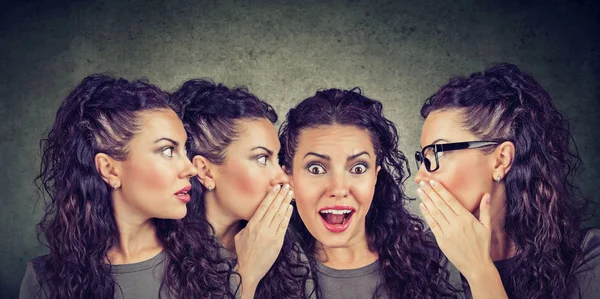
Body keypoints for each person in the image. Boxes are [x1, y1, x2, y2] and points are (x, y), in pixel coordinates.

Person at [19, 75, 232, 299]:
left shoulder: (207, 260)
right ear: (109, 169)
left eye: (184, 151)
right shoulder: (45, 281)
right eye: (168, 151)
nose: (191, 169)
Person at [414, 63, 600, 299]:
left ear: (501, 159)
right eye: (422, 156)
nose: (420, 175)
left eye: (436, 153)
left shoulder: (587, 257)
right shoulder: (423, 263)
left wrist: (479, 271)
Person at [278, 88, 453, 299]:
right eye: (316, 168)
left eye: (358, 168)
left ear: (375, 178)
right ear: (289, 179)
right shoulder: (261, 273)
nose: (339, 189)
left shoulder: (437, 260)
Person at [171, 79, 314, 299]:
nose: (282, 178)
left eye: (277, 159)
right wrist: (247, 275)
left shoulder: (287, 252)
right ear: (205, 171)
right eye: (261, 158)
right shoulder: (160, 261)